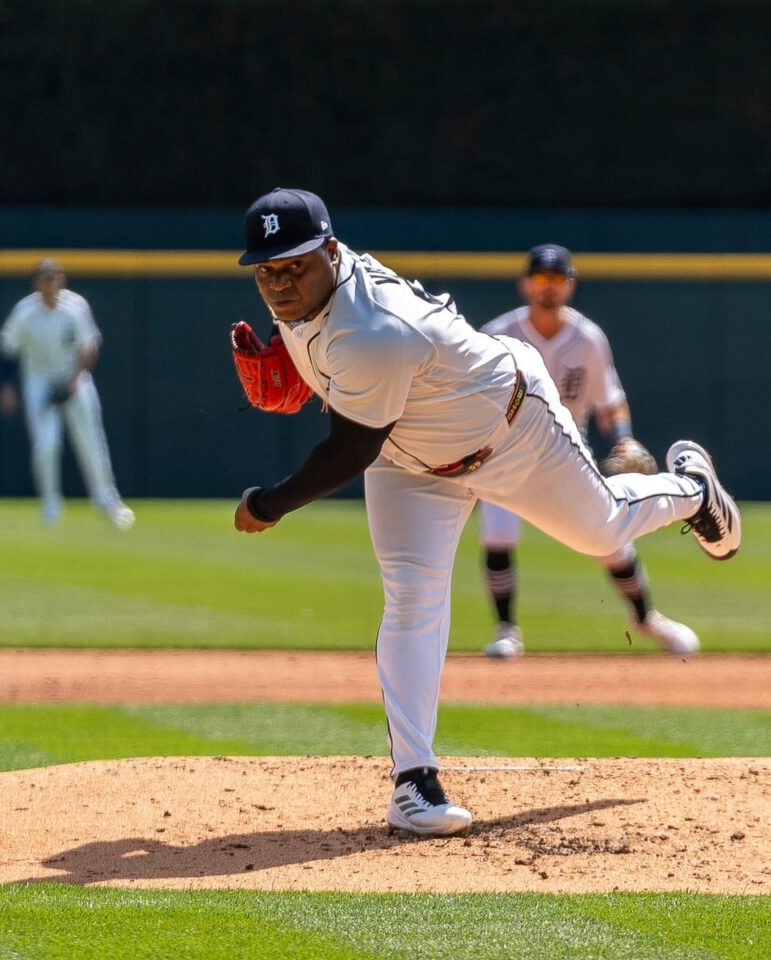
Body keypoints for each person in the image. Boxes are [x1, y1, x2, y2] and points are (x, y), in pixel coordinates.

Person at [228, 188, 740, 838]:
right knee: (411, 597)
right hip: (411, 461)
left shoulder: (374, 330)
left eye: (294, 266)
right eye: (266, 270)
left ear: (331, 250)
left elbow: (347, 450)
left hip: (509, 430)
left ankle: (691, 490)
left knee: (603, 529)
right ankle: (414, 783)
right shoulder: (316, 289)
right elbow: (342, 391)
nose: (279, 282)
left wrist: (266, 504)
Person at [473, 245, 699, 659]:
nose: (548, 287)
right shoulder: (496, 335)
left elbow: (610, 402)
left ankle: (646, 618)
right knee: (498, 532)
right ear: (526, 284)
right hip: (504, 453)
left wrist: (624, 438)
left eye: (557, 280)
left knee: (609, 540)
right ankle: (507, 630)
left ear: (569, 286)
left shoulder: (588, 338)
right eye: (541, 279)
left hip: (565, 452)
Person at [0, 259, 135, 529]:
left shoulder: (76, 307)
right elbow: (7, 348)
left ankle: (107, 501)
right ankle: (50, 502)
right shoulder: (25, 312)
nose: (51, 284)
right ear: (37, 283)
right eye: (46, 279)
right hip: (39, 380)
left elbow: (90, 346)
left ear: (61, 280)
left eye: (55, 278)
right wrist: (7, 386)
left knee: (92, 443)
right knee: (46, 444)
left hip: (74, 377)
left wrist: (73, 381)